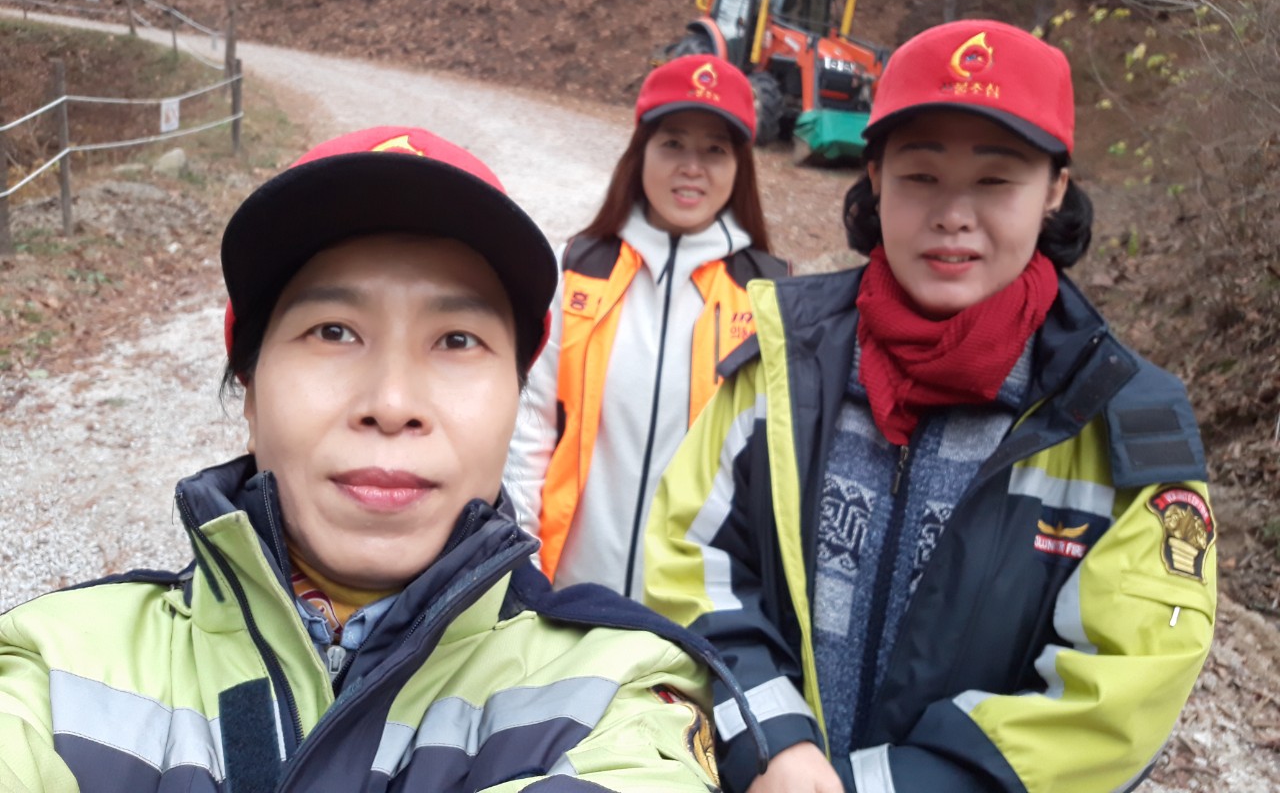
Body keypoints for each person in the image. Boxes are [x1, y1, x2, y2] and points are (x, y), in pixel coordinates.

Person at [0, 126, 768, 792]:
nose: (393, 401)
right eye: (333, 331)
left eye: (457, 340)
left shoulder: (620, 695)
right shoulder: (53, 670)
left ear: (517, 398)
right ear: (250, 390)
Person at [645, 20, 1217, 793]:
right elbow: (692, 558)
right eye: (920, 175)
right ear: (875, 177)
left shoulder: (1121, 420)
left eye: (995, 180)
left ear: (1055, 189)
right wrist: (770, 738)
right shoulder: (785, 362)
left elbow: (1122, 690)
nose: (953, 214)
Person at [505, 54, 788, 599]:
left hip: (697, 616)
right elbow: (531, 432)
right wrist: (525, 573)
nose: (692, 167)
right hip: (567, 598)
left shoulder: (771, 298)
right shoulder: (578, 271)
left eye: (715, 150)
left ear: (740, 167)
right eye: (673, 143)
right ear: (640, 154)